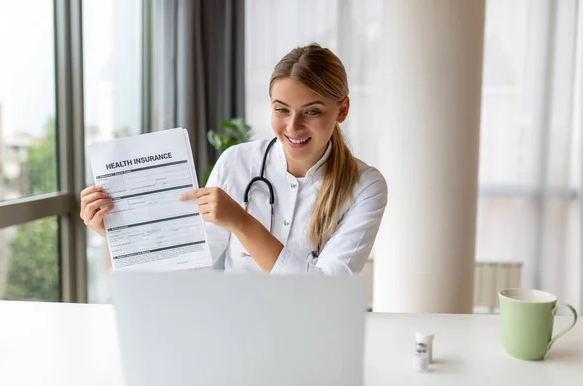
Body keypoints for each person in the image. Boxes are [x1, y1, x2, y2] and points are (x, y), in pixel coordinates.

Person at [80, 43, 387, 275]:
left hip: (311, 339)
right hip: (233, 330)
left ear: (342, 110)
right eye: (281, 110)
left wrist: (241, 222)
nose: (293, 127)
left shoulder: (365, 187)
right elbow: (190, 264)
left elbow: (326, 291)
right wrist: (118, 233)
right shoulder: (236, 162)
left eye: (312, 112)